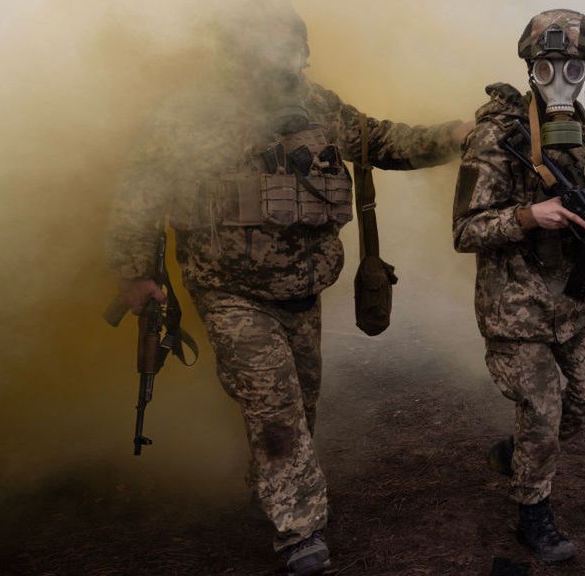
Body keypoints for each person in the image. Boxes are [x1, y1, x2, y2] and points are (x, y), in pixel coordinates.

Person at [107, 3, 468, 575]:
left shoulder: (317, 105)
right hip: (226, 287)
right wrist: (135, 273)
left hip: (301, 288)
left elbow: (384, 141)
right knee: (274, 405)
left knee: (301, 403)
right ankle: (300, 533)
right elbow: (139, 191)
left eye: (286, 48)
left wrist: (459, 134)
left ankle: (270, 486)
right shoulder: (189, 115)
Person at [452, 9, 585, 563]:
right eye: (547, 66)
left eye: (574, 67)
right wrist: (528, 216)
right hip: (514, 309)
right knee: (542, 406)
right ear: (530, 71)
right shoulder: (494, 139)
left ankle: (518, 454)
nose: (561, 79)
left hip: (575, 304)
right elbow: (466, 230)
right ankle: (533, 511)